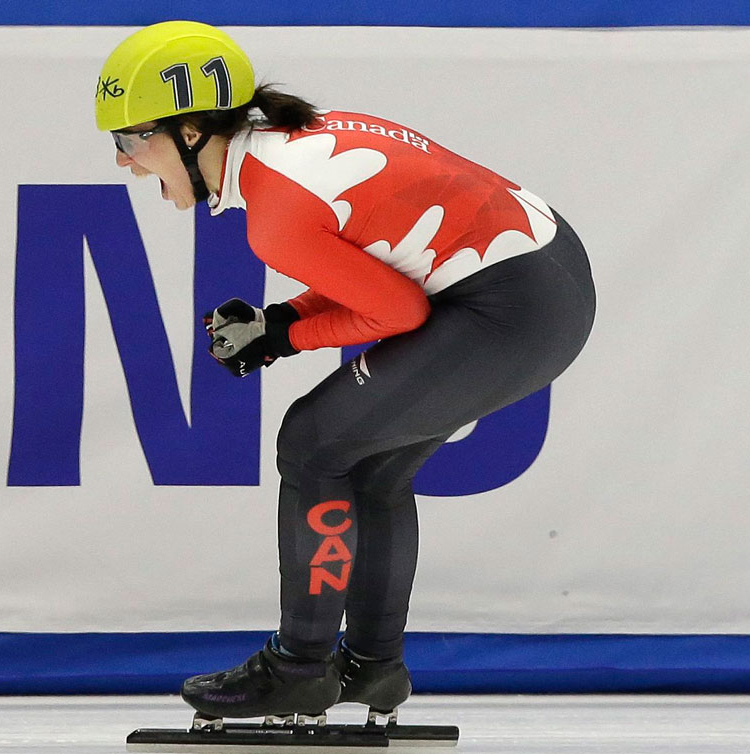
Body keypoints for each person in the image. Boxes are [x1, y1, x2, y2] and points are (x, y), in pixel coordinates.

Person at [95, 21, 596, 724]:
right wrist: (279, 323)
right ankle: (372, 668)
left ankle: (300, 668)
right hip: (541, 279)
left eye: (129, 139)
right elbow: (377, 260)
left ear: (190, 130)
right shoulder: (287, 146)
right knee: (373, 467)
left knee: (312, 442)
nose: (123, 162)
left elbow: (397, 309)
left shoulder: (274, 213)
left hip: (504, 306)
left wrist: (288, 333)